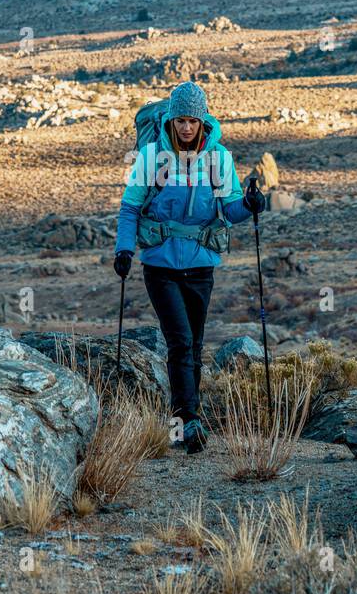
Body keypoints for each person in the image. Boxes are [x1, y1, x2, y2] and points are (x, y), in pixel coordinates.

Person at [113, 81, 266, 454]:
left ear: (203, 122)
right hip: (160, 264)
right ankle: (188, 422)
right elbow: (131, 207)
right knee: (180, 341)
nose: (186, 128)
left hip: (201, 265)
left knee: (195, 346)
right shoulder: (151, 157)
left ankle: (184, 422)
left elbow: (227, 210)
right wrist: (124, 250)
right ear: (171, 119)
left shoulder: (220, 159)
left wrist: (249, 205)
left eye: (192, 121)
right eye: (180, 119)